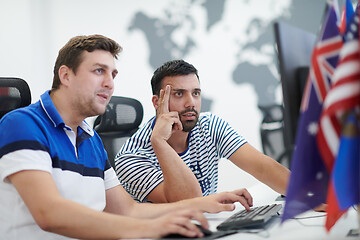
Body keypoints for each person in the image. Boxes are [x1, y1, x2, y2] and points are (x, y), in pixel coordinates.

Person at [0, 35, 254, 240]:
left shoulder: (90, 138)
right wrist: (150, 229)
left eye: (113, 74)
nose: (110, 83)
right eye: (99, 71)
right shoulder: (22, 124)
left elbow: (127, 210)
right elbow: (49, 214)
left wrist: (202, 204)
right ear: (66, 75)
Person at [115, 59, 291, 203]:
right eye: (179, 94)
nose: (190, 102)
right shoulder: (131, 158)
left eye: (196, 93)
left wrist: (305, 195)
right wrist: (159, 142)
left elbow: (262, 167)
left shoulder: (210, 126)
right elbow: (188, 203)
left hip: (208, 228)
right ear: (156, 102)